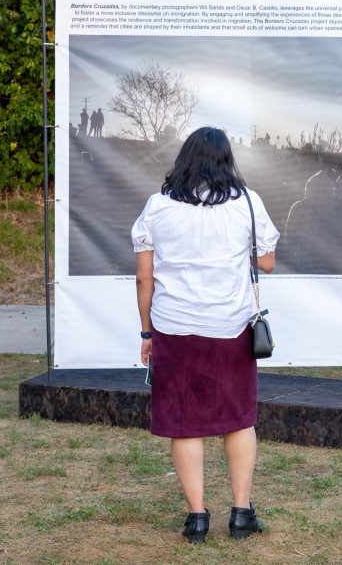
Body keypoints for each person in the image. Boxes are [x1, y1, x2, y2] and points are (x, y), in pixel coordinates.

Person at [130, 126, 280, 544]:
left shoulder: (157, 208)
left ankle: (197, 518)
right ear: (227, 161)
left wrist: (147, 332)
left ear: (184, 160)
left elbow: (144, 279)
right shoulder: (247, 204)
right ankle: (241, 513)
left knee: (184, 424)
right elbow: (266, 263)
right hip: (229, 327)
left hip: (173, 328)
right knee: (238, 420)